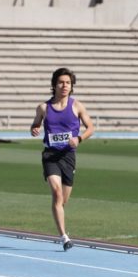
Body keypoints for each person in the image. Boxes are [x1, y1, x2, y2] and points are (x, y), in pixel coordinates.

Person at [30, 68, 94, 251]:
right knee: (57, 194)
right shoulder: (44, 108)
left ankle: (59, 221)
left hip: (68, 156)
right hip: (50, 156)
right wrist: (34, 128)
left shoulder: (77, 106)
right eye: (61, 82)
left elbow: (91, 127)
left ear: (71, 86)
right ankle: (64, 237)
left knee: (62, 201)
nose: (64, 86)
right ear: (54, 85)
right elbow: (35, 124)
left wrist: (79, 139)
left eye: (68, 83)